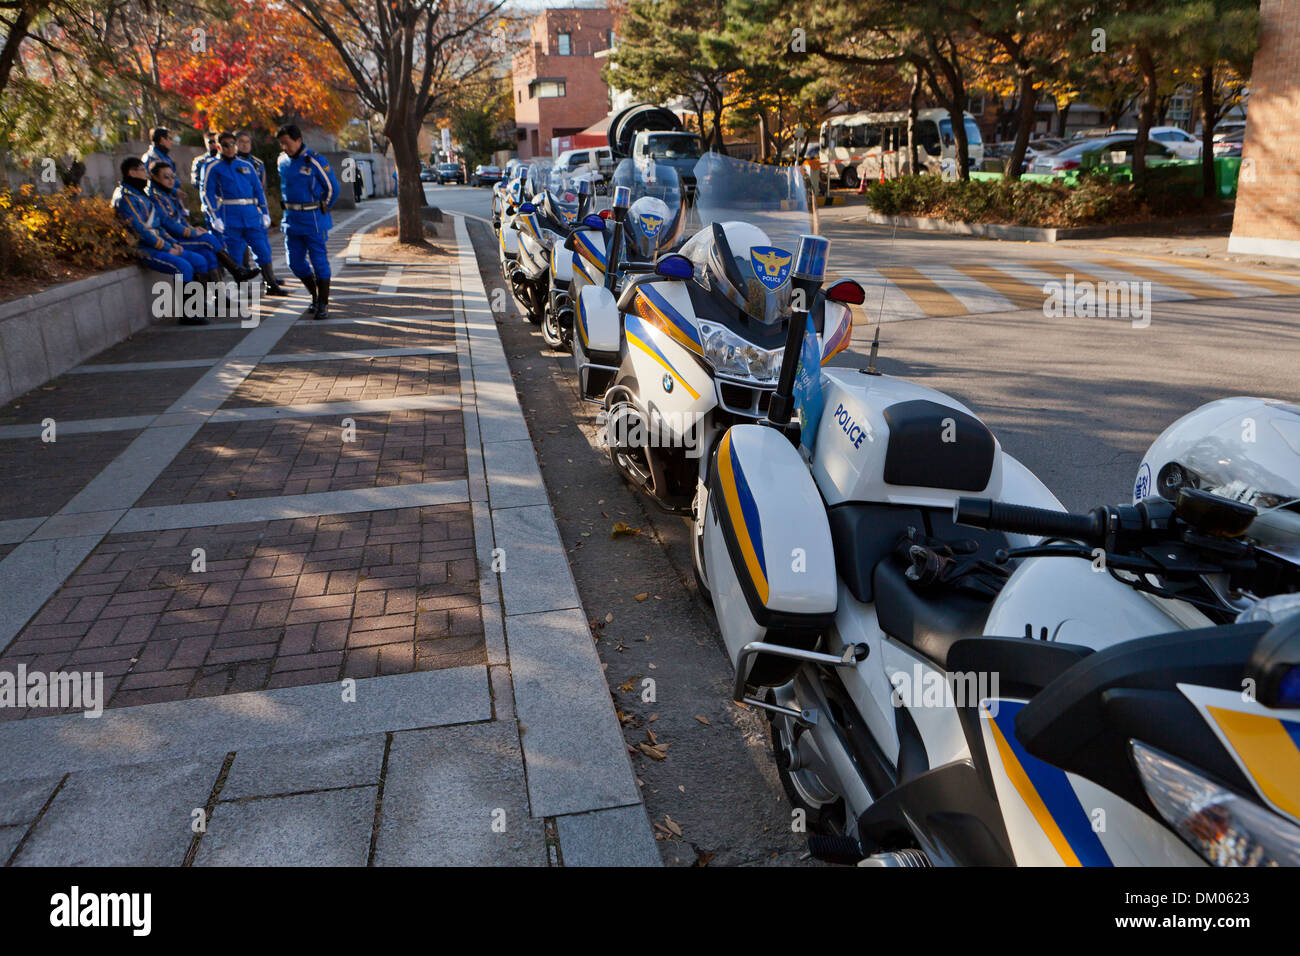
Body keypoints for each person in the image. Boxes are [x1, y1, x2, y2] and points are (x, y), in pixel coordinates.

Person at [112, 157, 211, 325]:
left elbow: (158, 226)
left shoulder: (139, 193)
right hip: (144, 247)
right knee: (183, 266)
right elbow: (140, 230)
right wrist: (166, 247)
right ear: (132, 172)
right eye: (142, 170)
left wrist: (173, 243)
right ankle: (187, 314)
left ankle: (199, 305)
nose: (146, 174)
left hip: (159, 243)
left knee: (199, 261)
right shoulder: (126, 197)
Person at [148, 160, 260, 289]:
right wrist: (192, 233)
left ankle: (219, 296)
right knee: (208, 239)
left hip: (180, 236)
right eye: (165, 177)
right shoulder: (156, 198)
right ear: (155, 177)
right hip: (172, 240)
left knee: (209, 254)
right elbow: (168, 223)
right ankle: (236, 270)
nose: (171, 180)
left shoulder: (168, 194)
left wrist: (192, 228)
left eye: (172, 176)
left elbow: (180, 219)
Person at [203, 131, 289, 296]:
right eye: (226, 145)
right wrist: (215, 217)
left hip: (251, 215)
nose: (230, 148)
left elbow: (258, 190)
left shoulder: (247, 166)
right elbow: (206, 193)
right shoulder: (212, 167)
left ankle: (271, 283)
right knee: (235, 254)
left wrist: (264, 212)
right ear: (219, 147)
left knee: (263, 250)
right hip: (230, 215)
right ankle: (241, 288)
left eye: (232, 144)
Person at [276, 123, 341, 319]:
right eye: (281, 144)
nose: (285, 148)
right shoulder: (281, 161)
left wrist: (323, 209)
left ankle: (322, 303)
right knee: (294, 262)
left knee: (319, 261)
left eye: (287, 143)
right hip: (291, 220)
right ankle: (314, 294)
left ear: (298, 140)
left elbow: (333, 188)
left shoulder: (314, 161)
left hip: (313, 220)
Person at [190, 130, 219, 200]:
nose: (213, 144)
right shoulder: (200, 161)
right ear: (205, 142)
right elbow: (195, 181)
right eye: (210, 142)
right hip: (209, 196)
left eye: (215, 141)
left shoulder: (225, 160)